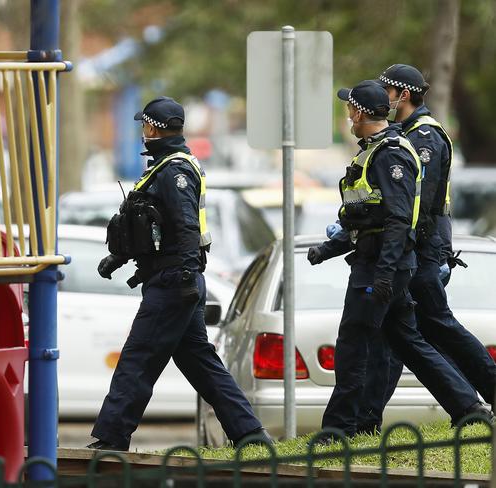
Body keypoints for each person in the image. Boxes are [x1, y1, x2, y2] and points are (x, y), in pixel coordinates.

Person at [87, 96, 270, 451]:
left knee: (137, 359)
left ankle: (111, 439)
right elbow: (153, 225)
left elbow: (185, 227)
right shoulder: (163, 167)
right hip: (171, 277)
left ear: (154, 128)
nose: (143, 131)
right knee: (200, 363)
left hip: (173, 282)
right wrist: (118, 257)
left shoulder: (175, 171)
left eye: (145, 125)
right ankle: (250, 434)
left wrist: (185, 276)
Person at [307, 80, 486, 439]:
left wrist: (386, 274)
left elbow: (398, 219)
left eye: (349, 108)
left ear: (359, 112)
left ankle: (338, 429)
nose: (347, 115)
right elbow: (366, 216)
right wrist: (327, 250)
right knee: (408, 342)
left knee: (353, 343)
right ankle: (468, 408)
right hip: (379, 264)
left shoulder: (391, 153)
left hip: (381, 267)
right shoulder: (374, 150)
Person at [357, 65, 496, 433]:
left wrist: (406, 252)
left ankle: (477, 400)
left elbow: (417, 205)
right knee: (401, 335)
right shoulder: (404, 134)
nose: (382, 96)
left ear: (402, 95)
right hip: (411, 249)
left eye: (387, 90)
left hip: (420, 248)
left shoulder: (425, 137)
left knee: (435, 325)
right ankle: (367, 419)